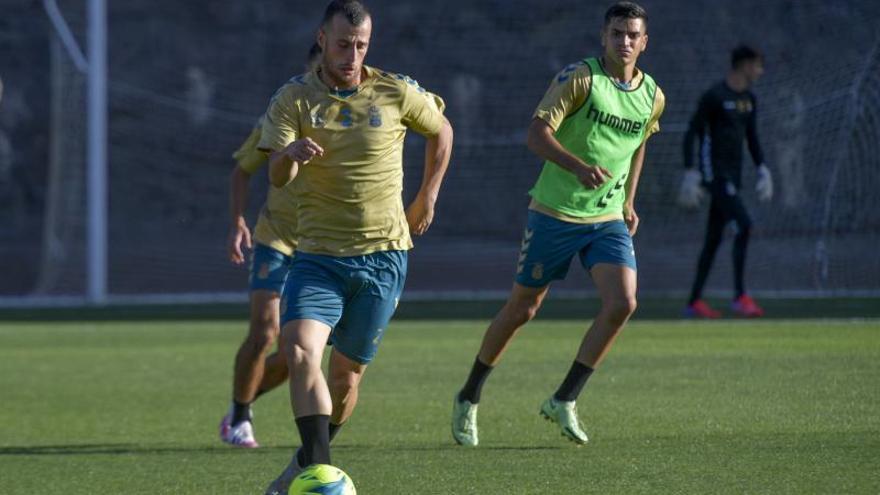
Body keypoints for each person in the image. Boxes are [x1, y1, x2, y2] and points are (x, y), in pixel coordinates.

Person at [257, 1, 453, 492]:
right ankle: (320, 475)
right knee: (300, 350)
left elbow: (442, 130)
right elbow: (276, 175)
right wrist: (290, 154)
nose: (352, 54)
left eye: (361, 45)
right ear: (322, 39)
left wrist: (427, 195)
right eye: (343, 44)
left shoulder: (395, 90)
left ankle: (305, 461)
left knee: (345, 380)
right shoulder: (294, 99)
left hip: (384, 258)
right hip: (318, 257)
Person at [451, 1, 664, 447]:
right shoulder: (580, 79)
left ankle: (564, 399)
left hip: (605, 217)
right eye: (617, 33)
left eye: (632, 35)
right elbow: (535, 134)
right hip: (554, 213)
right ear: (603, 38)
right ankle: (469, 395)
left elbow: (640, 142)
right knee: (523, 309)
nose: (624, 41)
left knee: (623, 302)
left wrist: (628, 200)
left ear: (645, 43)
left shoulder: (652, 95)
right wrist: (577, 166)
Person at [219, 44, 322, 448]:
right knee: (264, 332)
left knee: (300, 351)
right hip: (276, 237)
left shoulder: (352, 117)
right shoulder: (279, 116)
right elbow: (242, 172)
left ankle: (241, 402)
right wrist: (237, 222)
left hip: (322, 246)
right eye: (316, 72)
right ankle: (241, 418)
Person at [678, 45, 772, 318]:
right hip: (715, 175)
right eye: (757, 65)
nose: (760, 71)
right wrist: (690, 171)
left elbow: (752, 138)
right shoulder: (714, 96)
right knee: (745, 225)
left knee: (713, 239)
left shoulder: (750, 100)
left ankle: (693, 302)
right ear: (744, 64)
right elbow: (691, 133)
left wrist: (762, 168)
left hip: (735, 176)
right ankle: (740, 296)